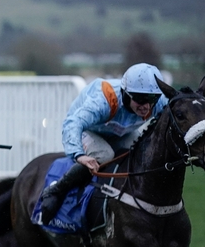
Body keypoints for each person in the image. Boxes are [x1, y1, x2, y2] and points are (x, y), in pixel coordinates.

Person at [40, 63, 170, 224]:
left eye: (152, 99)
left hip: (121, 132)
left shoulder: (157, 102)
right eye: (140, 99)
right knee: (104, 154)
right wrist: (79, 154)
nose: (146, 106)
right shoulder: (105, 99)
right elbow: (73, 123)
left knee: (141, 153)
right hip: (88, 129)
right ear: (126, 94)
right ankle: (56, 191)